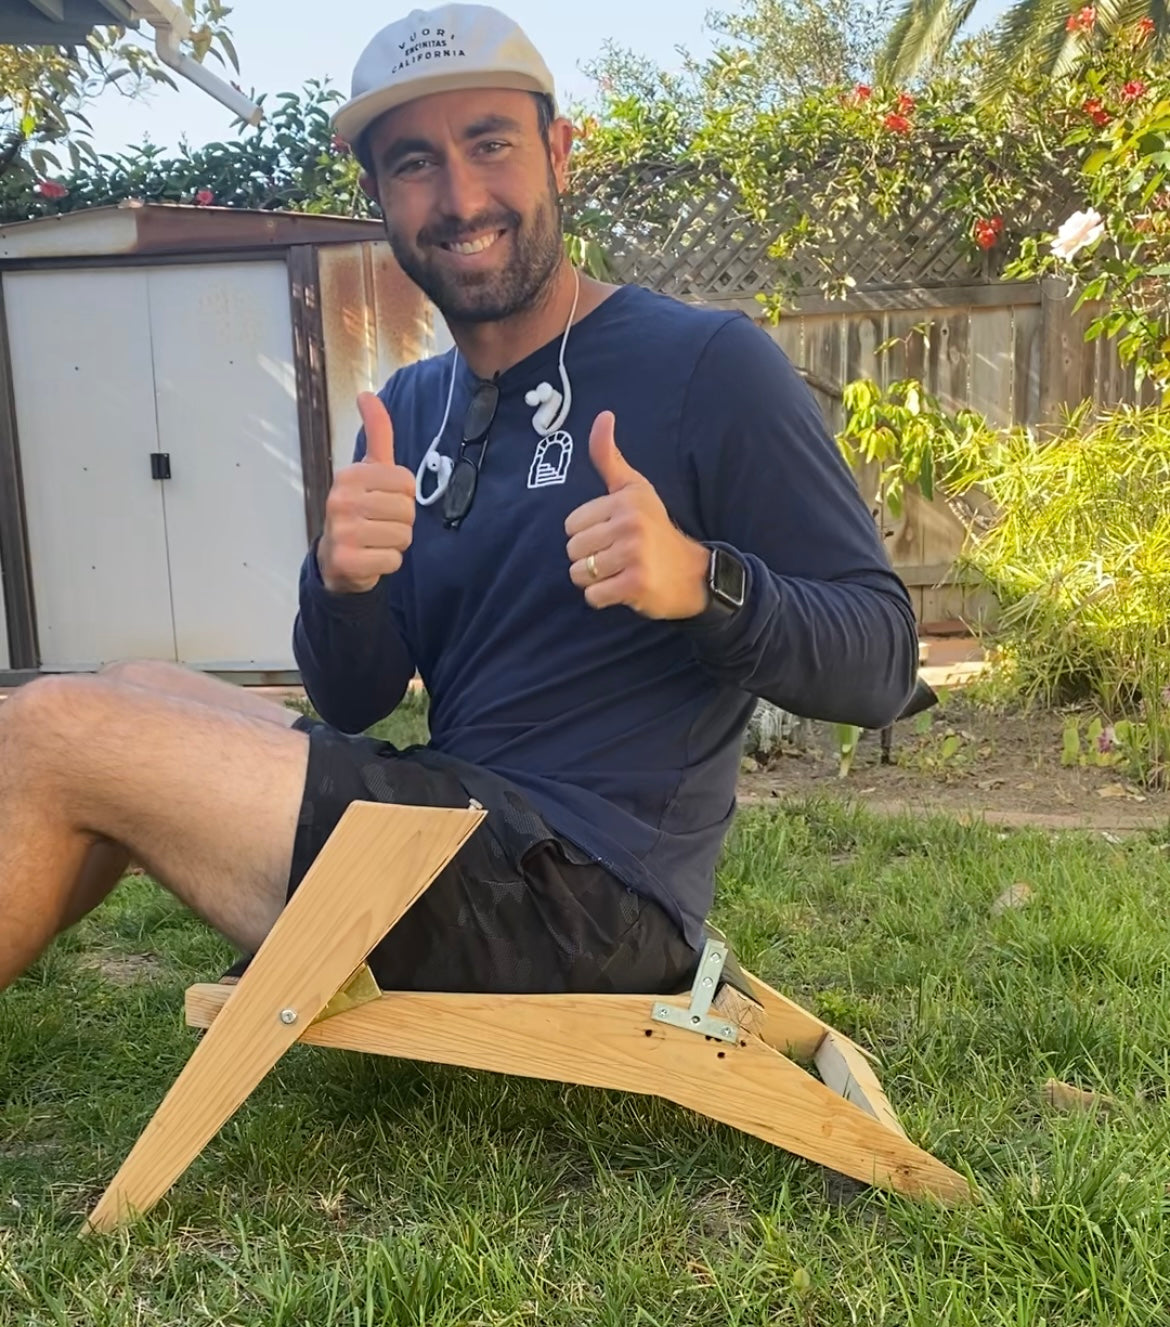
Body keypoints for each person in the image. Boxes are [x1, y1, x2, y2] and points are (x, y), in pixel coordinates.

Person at [0, 2, 919, 999]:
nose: (460, 194)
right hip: (458, 825)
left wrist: (703, 581)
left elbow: (882, 657)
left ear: (559, 154)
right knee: (133, 682)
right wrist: (342, 584)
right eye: (414, 162)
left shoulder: (706, 365)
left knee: (54, 730)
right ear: (379, 196)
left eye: (490, 144)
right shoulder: (408, 407)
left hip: (586, 900)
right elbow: (353, 700)